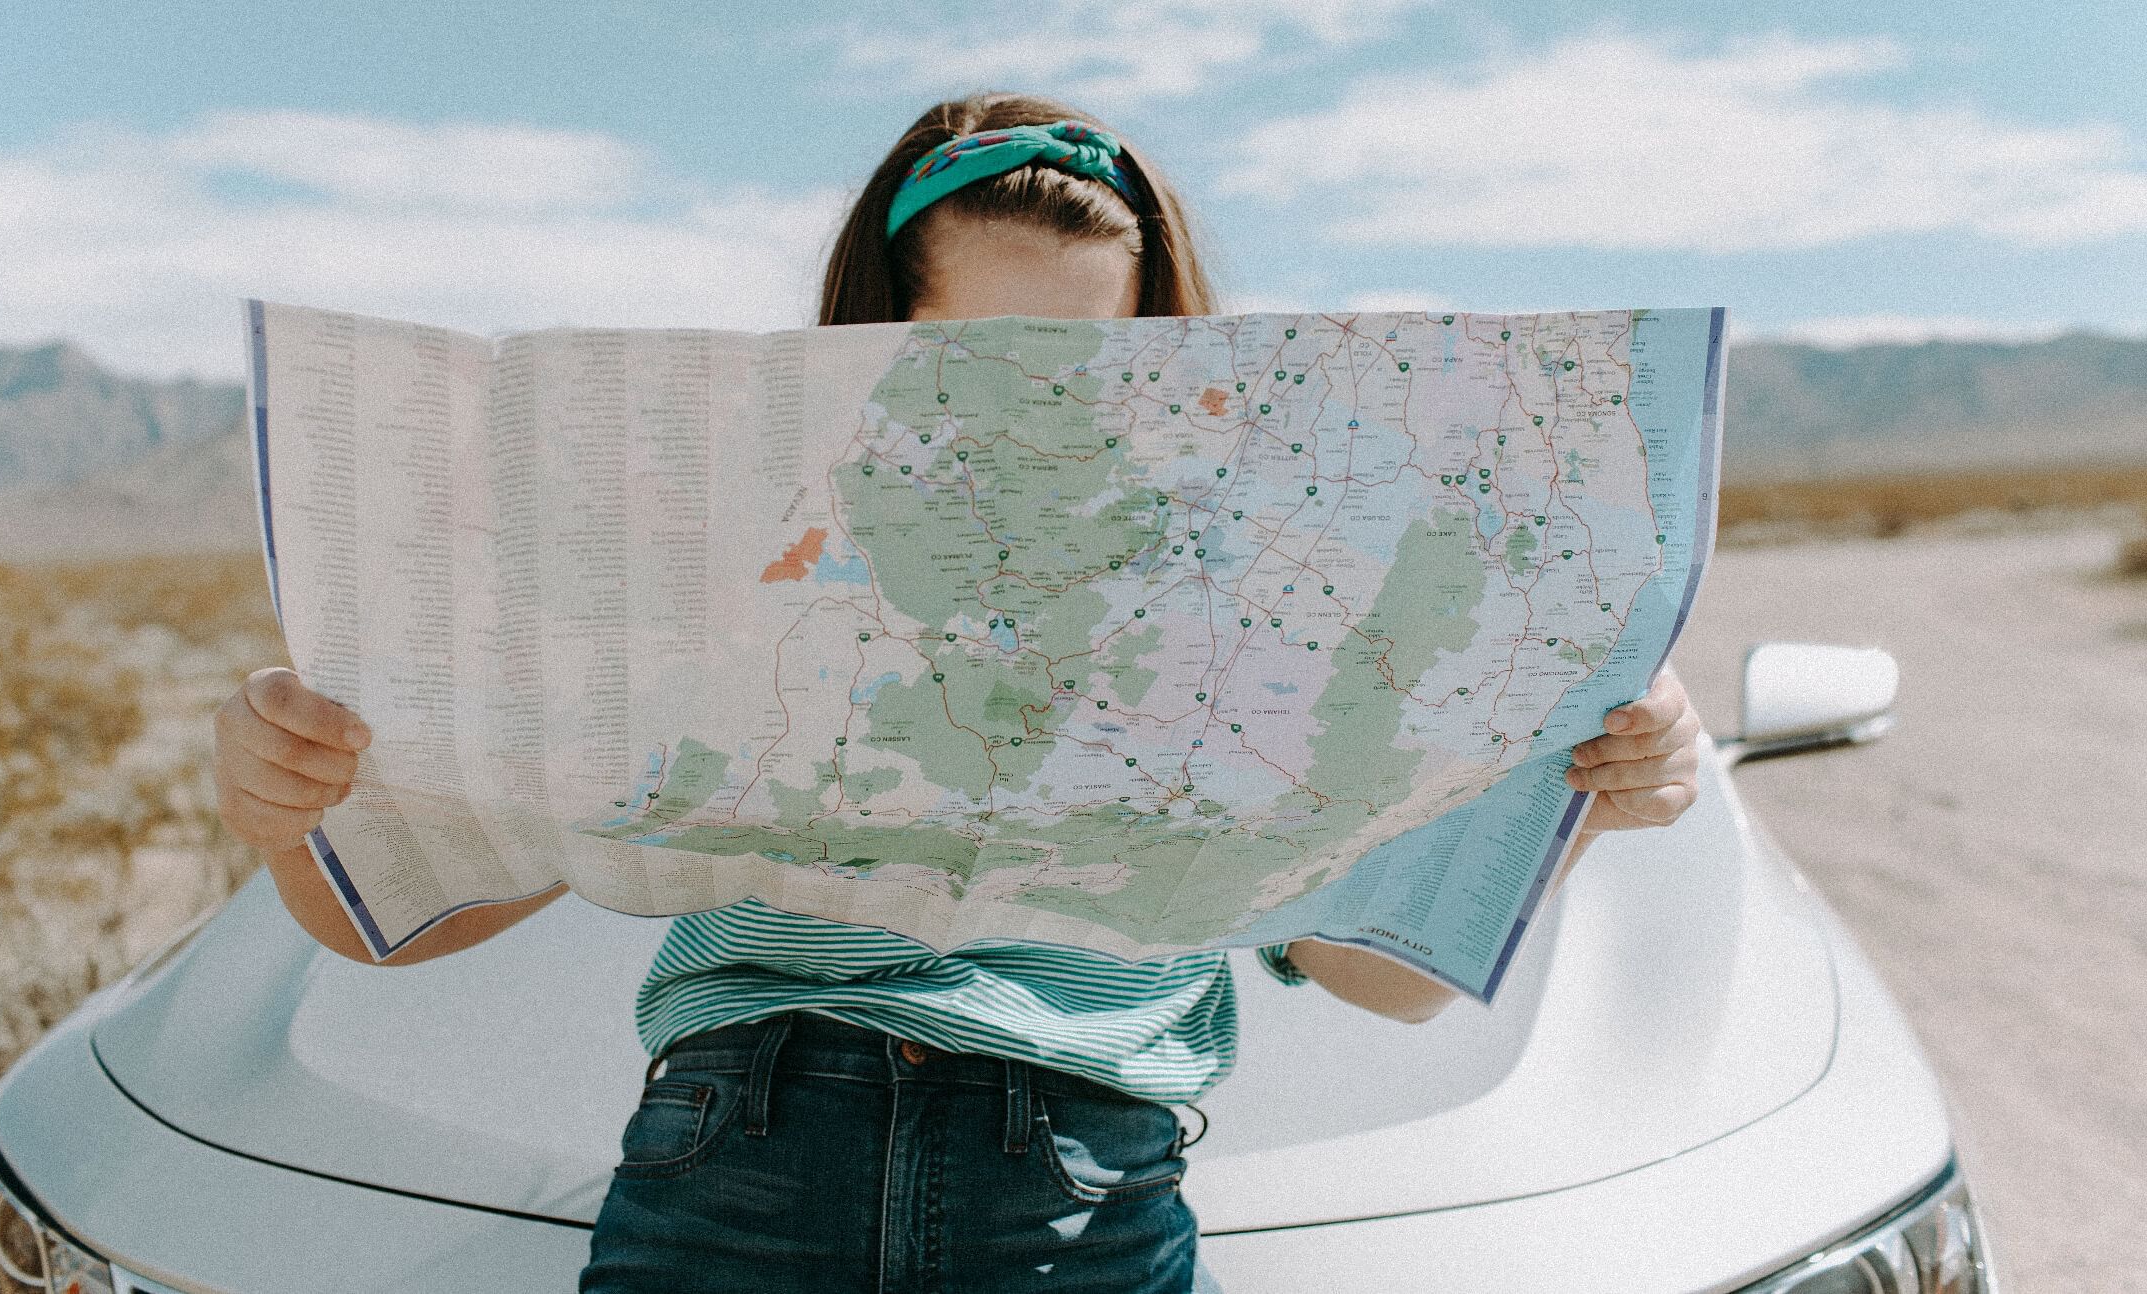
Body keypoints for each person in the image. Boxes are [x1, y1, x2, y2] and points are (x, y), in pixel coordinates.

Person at [212, 92, 1704, 1293]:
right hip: (737, 1156)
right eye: (974, 358)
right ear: (874, 342)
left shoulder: (1260, 588)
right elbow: (395, 921)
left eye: (1083, 364)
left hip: (1081, 1193)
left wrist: (1569, 796)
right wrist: (293, 807)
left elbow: (1388, 978)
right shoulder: (731, 546)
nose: (1026, 407)